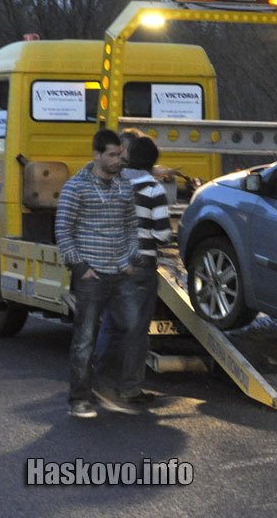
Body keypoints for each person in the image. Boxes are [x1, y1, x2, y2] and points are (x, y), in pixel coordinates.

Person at [55, 129, 139, 418]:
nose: (119, 160)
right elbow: (63, 229)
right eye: (113, 155)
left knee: (130, 326)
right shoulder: (75, 187)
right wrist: (80, 266)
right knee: (85, 338)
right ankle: (79, 399)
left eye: (121, 154)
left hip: (120, 271)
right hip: (91, 274)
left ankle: (104, 385)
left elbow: (131, 225)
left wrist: (131, 257)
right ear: (97, 155)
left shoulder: (124, 186)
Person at [93, 136, 172, 406]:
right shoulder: (152, 189)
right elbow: (162, 234)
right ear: (152, 162)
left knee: (111, 326)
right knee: (137, 331)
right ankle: (129, 389)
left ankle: (100, 383)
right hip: (140, 269)